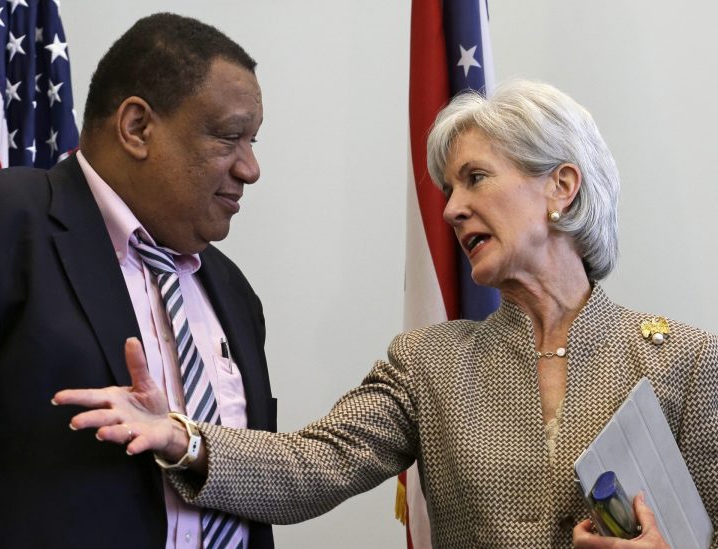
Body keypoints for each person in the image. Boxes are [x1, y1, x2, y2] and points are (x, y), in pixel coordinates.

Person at [54, 80, 718, 548]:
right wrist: (182, 436)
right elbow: (311, 464)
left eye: (475, 178)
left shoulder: (683, 359)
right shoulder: (429, 361)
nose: (453, 208)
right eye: (448, 188)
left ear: (561, 187)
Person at [0, 12, 276, 549]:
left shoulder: (236, 294)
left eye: (253, 142)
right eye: (229, 137)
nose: (250, 168)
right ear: (137, 128)